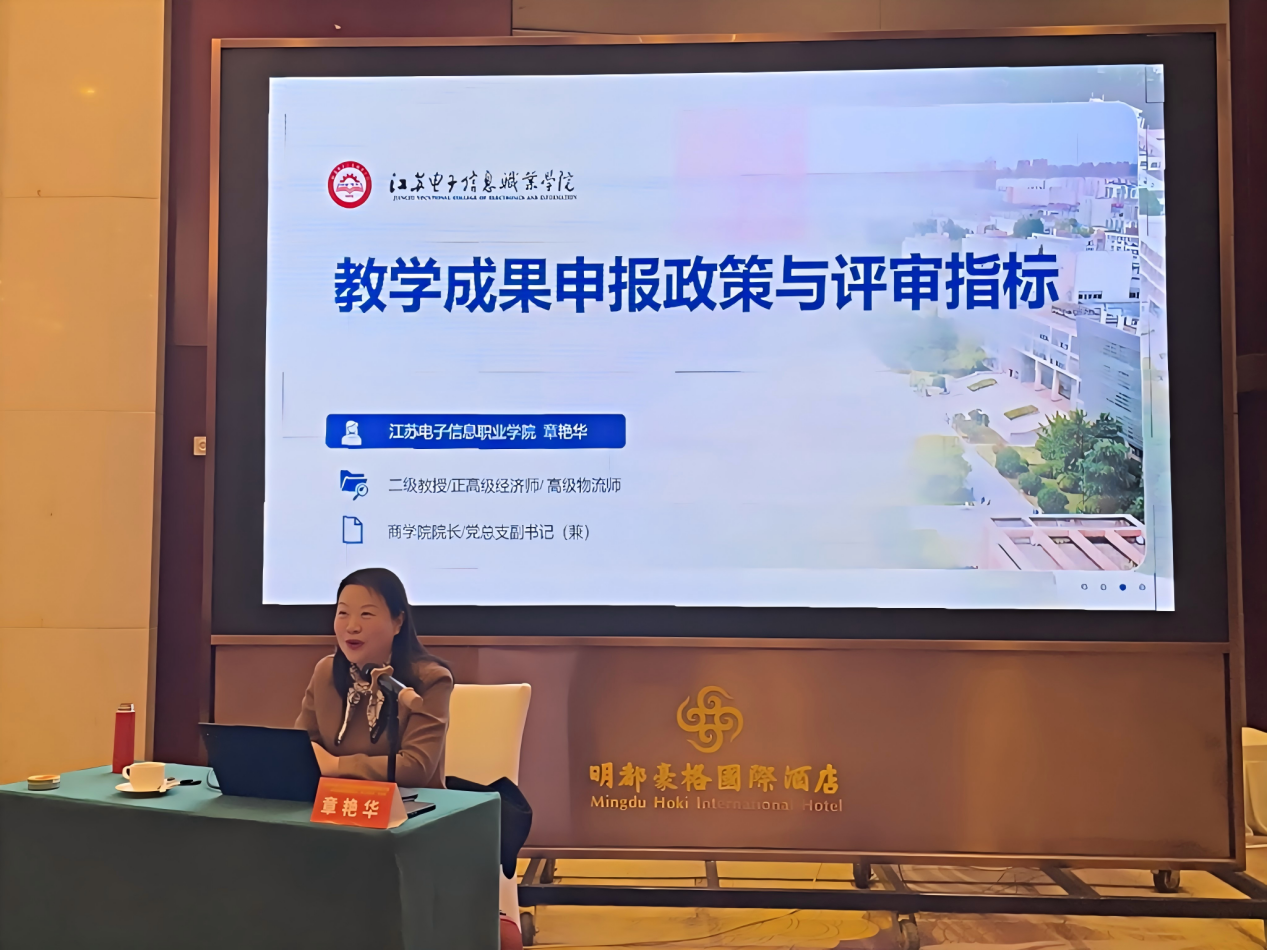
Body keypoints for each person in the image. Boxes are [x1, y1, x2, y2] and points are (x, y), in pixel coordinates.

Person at [296, 567, 453, 788]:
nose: (352, 627)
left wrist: (335, 765)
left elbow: (416, 768)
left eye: (366, 614)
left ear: (398, 622)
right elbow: (299, 750)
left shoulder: (431, 679)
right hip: (338, 801)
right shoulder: (326, 671)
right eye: (343, 613)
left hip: (412, 804)